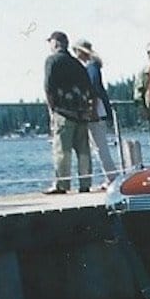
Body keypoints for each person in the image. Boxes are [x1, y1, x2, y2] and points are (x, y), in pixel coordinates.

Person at [42, 31, 94, 194]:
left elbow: (49, 86)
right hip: (81, 112)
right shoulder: (77, 63)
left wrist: (52, 108)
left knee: (62, 151)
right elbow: (88, 88)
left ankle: (62, 184)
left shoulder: (52, 60)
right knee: (83, 151)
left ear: (56, 43)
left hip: (63, 112)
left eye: (50, 42)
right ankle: (85, 183)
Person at [72, 39, 119, 185]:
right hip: (98, 110)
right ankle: (110, 176)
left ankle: (112, 177)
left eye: (76, 51)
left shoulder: (91, 67)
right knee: (99, 146)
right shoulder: (93, 66)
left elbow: (94, 89)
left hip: (96, 111)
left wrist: (92, 109)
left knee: (100, 147)